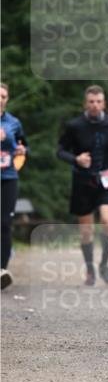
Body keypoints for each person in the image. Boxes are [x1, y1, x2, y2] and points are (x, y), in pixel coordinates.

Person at [56, 85, 108, 285]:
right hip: (83, 181)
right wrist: (76, 158)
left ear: (104, 104)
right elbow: (60, 151)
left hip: (107, 180)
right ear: (85, 104)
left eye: (98, 102)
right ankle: (90, 270)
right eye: (91, 102)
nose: (95, 105)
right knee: (86, 231)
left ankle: (103, 265)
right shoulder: (74, 126)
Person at [0, 82, 28, 290]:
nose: (0, 99)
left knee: (5, 224)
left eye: (3, 96)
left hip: (8, 177)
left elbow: (22, 146)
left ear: (7, 99)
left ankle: (2, 270)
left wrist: (20, 151)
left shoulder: (14, 123)